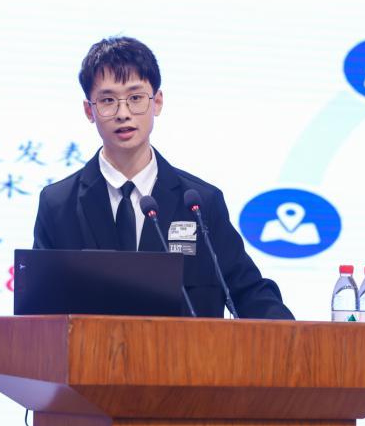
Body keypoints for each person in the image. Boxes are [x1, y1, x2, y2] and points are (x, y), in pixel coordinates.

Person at [32, 36, 293, 319]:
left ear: (157, 102)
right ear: (89, 110)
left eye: (135, 98)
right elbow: (38, 310)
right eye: (108, 100)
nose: (123, 113)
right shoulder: (58, 205)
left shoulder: (200, 203)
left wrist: (297, 338)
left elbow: (248, 293)